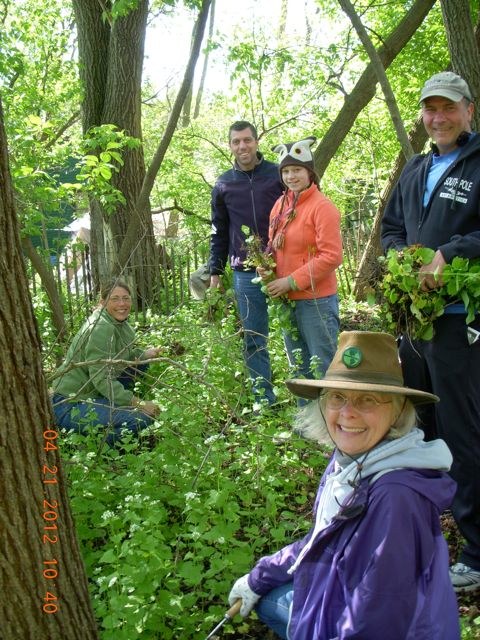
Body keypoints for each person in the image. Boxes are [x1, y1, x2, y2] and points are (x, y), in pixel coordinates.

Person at [227, 331, 460, 640]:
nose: (348, 412)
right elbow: (321, 540)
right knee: (267, 597)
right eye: (338, 396)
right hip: (341, 594)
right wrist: (258, 577)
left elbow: (378, 621)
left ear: (399, 411)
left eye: (368, 399)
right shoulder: (350, 463)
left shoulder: (396, 497)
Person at [381, 71, 480, 593]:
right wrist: (399, 257)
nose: (437, 118)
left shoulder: (479, 161)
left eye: (448, 108)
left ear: (468, 110)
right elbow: (391, 227)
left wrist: (451, 252)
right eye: (429, 109)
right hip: (414, 322)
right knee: (421, 426)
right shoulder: (417, 167)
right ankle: (428, 527)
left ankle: (478, 551)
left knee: (463, 430)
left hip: (461, 322)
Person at [209, 120, 284, 406]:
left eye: (247, 140)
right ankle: (263, 401)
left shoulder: (278, 174)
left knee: (295, 332)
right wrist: (215, 270)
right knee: (253, 337)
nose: (242, 146)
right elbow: (219, 230)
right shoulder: (224, 183)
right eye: (236, 141)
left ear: (256, 141)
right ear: (230, 145)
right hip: (244, 272)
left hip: (283, 266)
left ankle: (306, 399)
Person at [259, 136, 342, 384]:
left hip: (316, 302)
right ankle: (307, 422)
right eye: (285, 171)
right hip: (288, 302)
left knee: (323, 368)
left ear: (309, 173)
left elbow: (331, 256)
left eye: (297, 170)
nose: (291, 176)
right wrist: (265, 266)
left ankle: (330, 422)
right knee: (299, 369)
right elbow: (273, 244)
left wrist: (291, 281)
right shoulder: (279, 204)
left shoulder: (322, 207)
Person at [51, 279, 161, 446]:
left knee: (140, 364)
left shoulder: (118, 322)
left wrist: (145, 355)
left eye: (126, 298)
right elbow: (101, 379)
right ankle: (87, 447)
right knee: (142, 419)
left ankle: (112, 412)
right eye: (115, 299)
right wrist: (140, 403)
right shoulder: (101, 328)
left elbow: (122, 358)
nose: (122, 303)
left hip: (93, 392)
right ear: (103, 302)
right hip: (71, 403)